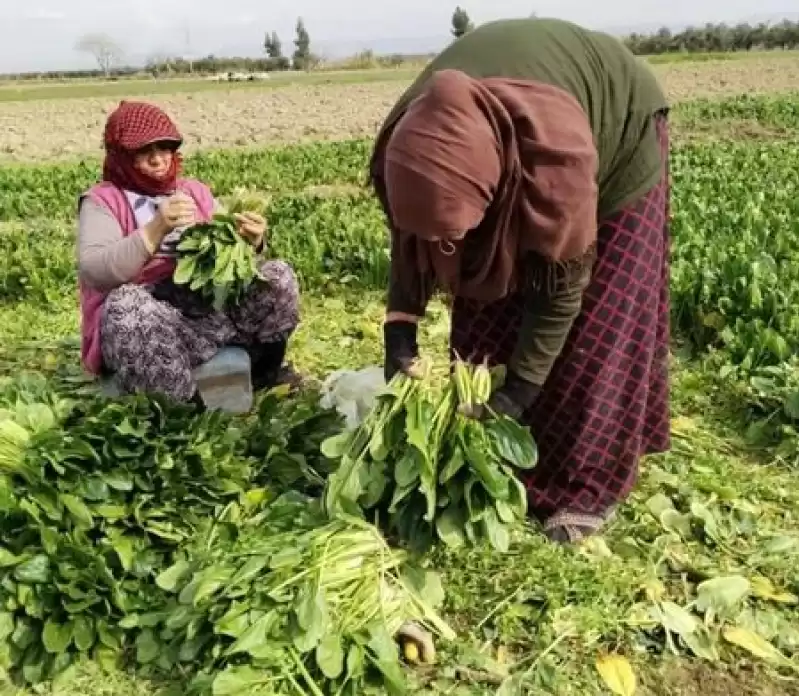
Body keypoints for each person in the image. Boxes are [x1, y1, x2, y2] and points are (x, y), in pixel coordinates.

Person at [370, 18, 672, 545]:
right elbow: (414, 237)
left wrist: (522, 388)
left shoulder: (559, 163)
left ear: (494, 190)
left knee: (597, 326)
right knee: (480, 301)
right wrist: (401, 325)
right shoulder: (407, 141)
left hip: (619, 126)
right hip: (491, 153)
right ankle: (496, 454)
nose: (449, 246)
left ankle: (586, 483)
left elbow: (559, 294)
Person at [77, 100, 301, 404]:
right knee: (124, 304)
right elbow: (95, 271)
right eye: (145, 152)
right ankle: (182, 402)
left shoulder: (194, 191)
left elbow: (232, 263)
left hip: (208, 313)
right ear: (121, 157)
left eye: (164, 148)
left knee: (277, 275)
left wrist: (252, 242)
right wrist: (156, 228)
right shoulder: (103, 200)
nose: (158, 160)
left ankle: (262, 373)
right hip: (153, 321)